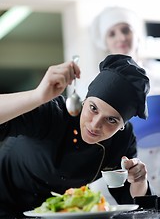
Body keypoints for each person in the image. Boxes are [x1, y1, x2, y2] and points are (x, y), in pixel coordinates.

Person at [0, 54, 152, 218]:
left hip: (52, 213)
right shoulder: (52, 114)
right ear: (84, 100)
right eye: (93, 108)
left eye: (111, 120)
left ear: (122, 126)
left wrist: (139, 180)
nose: (95, 125)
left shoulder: (122, 140)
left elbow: (133, 204)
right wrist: (37, 96)